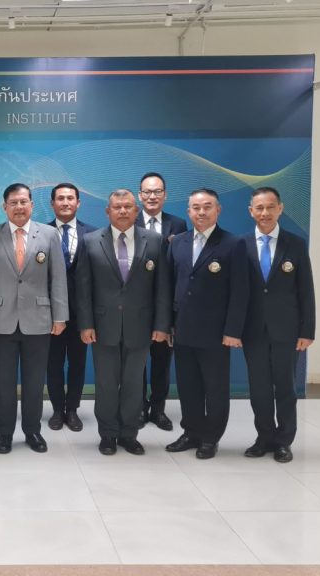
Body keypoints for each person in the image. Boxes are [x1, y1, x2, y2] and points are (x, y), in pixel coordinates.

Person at [75, 190, 171, 455]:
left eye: (128, 206)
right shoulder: (90, 241)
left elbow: (162, 287)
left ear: (136, 211)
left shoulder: (154, 240)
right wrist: (86, 324)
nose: (123, 211)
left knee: (133, 383)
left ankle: (129, 433)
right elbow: (83, 288)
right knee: (106, 384)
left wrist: (161, 325)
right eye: (117, 207)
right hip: (103, 326)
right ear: (108, 211)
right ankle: (108, 434)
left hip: (140, 325)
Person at [0, 183, 68, 454]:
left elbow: (58, 278)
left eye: (23, 202)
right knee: (3, 383)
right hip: (0, 320)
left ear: (32, 205)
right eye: (13, 203)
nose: (19, 207)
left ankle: (32, 431)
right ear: (4, 207)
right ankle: (4, 433)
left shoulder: (49, 235)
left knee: (34, 382)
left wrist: (60, 317)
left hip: (38, 320)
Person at [164, 188, 249, 460]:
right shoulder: (178, 242)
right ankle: (191, 432)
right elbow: (169, 286)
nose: (201, 212)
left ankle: (211, 438)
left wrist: (233, 330)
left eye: (207, 207)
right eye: (196, 208)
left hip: (216, 332)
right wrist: (168, 324)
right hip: (183, 329)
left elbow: (240, 291)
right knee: (188, 386)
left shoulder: (233, 243)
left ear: (218, 210)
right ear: (188, 211)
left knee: (215, 388)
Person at [242, 187, 315, 464]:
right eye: (259, 208)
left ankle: (284, 441)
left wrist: (307, 330)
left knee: (285, 387)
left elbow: (305, 290)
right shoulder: (241, 244)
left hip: (287, 330)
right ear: (251, 211)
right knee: (259, 388)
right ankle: (264, 437)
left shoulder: (295, 244)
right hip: (253, 330)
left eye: (270, 207)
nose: (265, 213)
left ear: (280, 209)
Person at [136, 172, 187, 431]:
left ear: (165, 195)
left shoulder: (177, 224)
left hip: (165, 304)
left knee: (162, 361)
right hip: (135, 306)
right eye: (147, 191)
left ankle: (158, 409)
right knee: (136, 361)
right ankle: (138, 407)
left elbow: (182, 266)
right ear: (139, 195)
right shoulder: (128, 220)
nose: (152, 196)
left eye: (157, 191)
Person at [46, 183, 94, 433]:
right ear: (52, 203)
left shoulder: (93, 234)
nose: (65, 202)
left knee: (78, 363)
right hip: (49, 313)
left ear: (78, 203)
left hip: (81, 313)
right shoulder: (41, 232)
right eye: (60, 198)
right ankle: (57, 409)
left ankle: (72, 409)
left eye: (70, 198)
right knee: (53, 363)